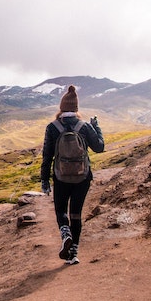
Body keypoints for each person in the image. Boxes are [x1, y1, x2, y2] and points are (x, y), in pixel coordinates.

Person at [40, 85, 104, 265]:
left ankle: (65, 233)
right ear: (76, 108)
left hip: (60, 178)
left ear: (61, 107)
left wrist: (44, 180)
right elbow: (99, 147)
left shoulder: (52, 127)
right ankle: (73, 253)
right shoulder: (84, 126)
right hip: (82, 177)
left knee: (61, 211)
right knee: (76, 213)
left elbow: (47, 156)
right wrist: (96, 127)